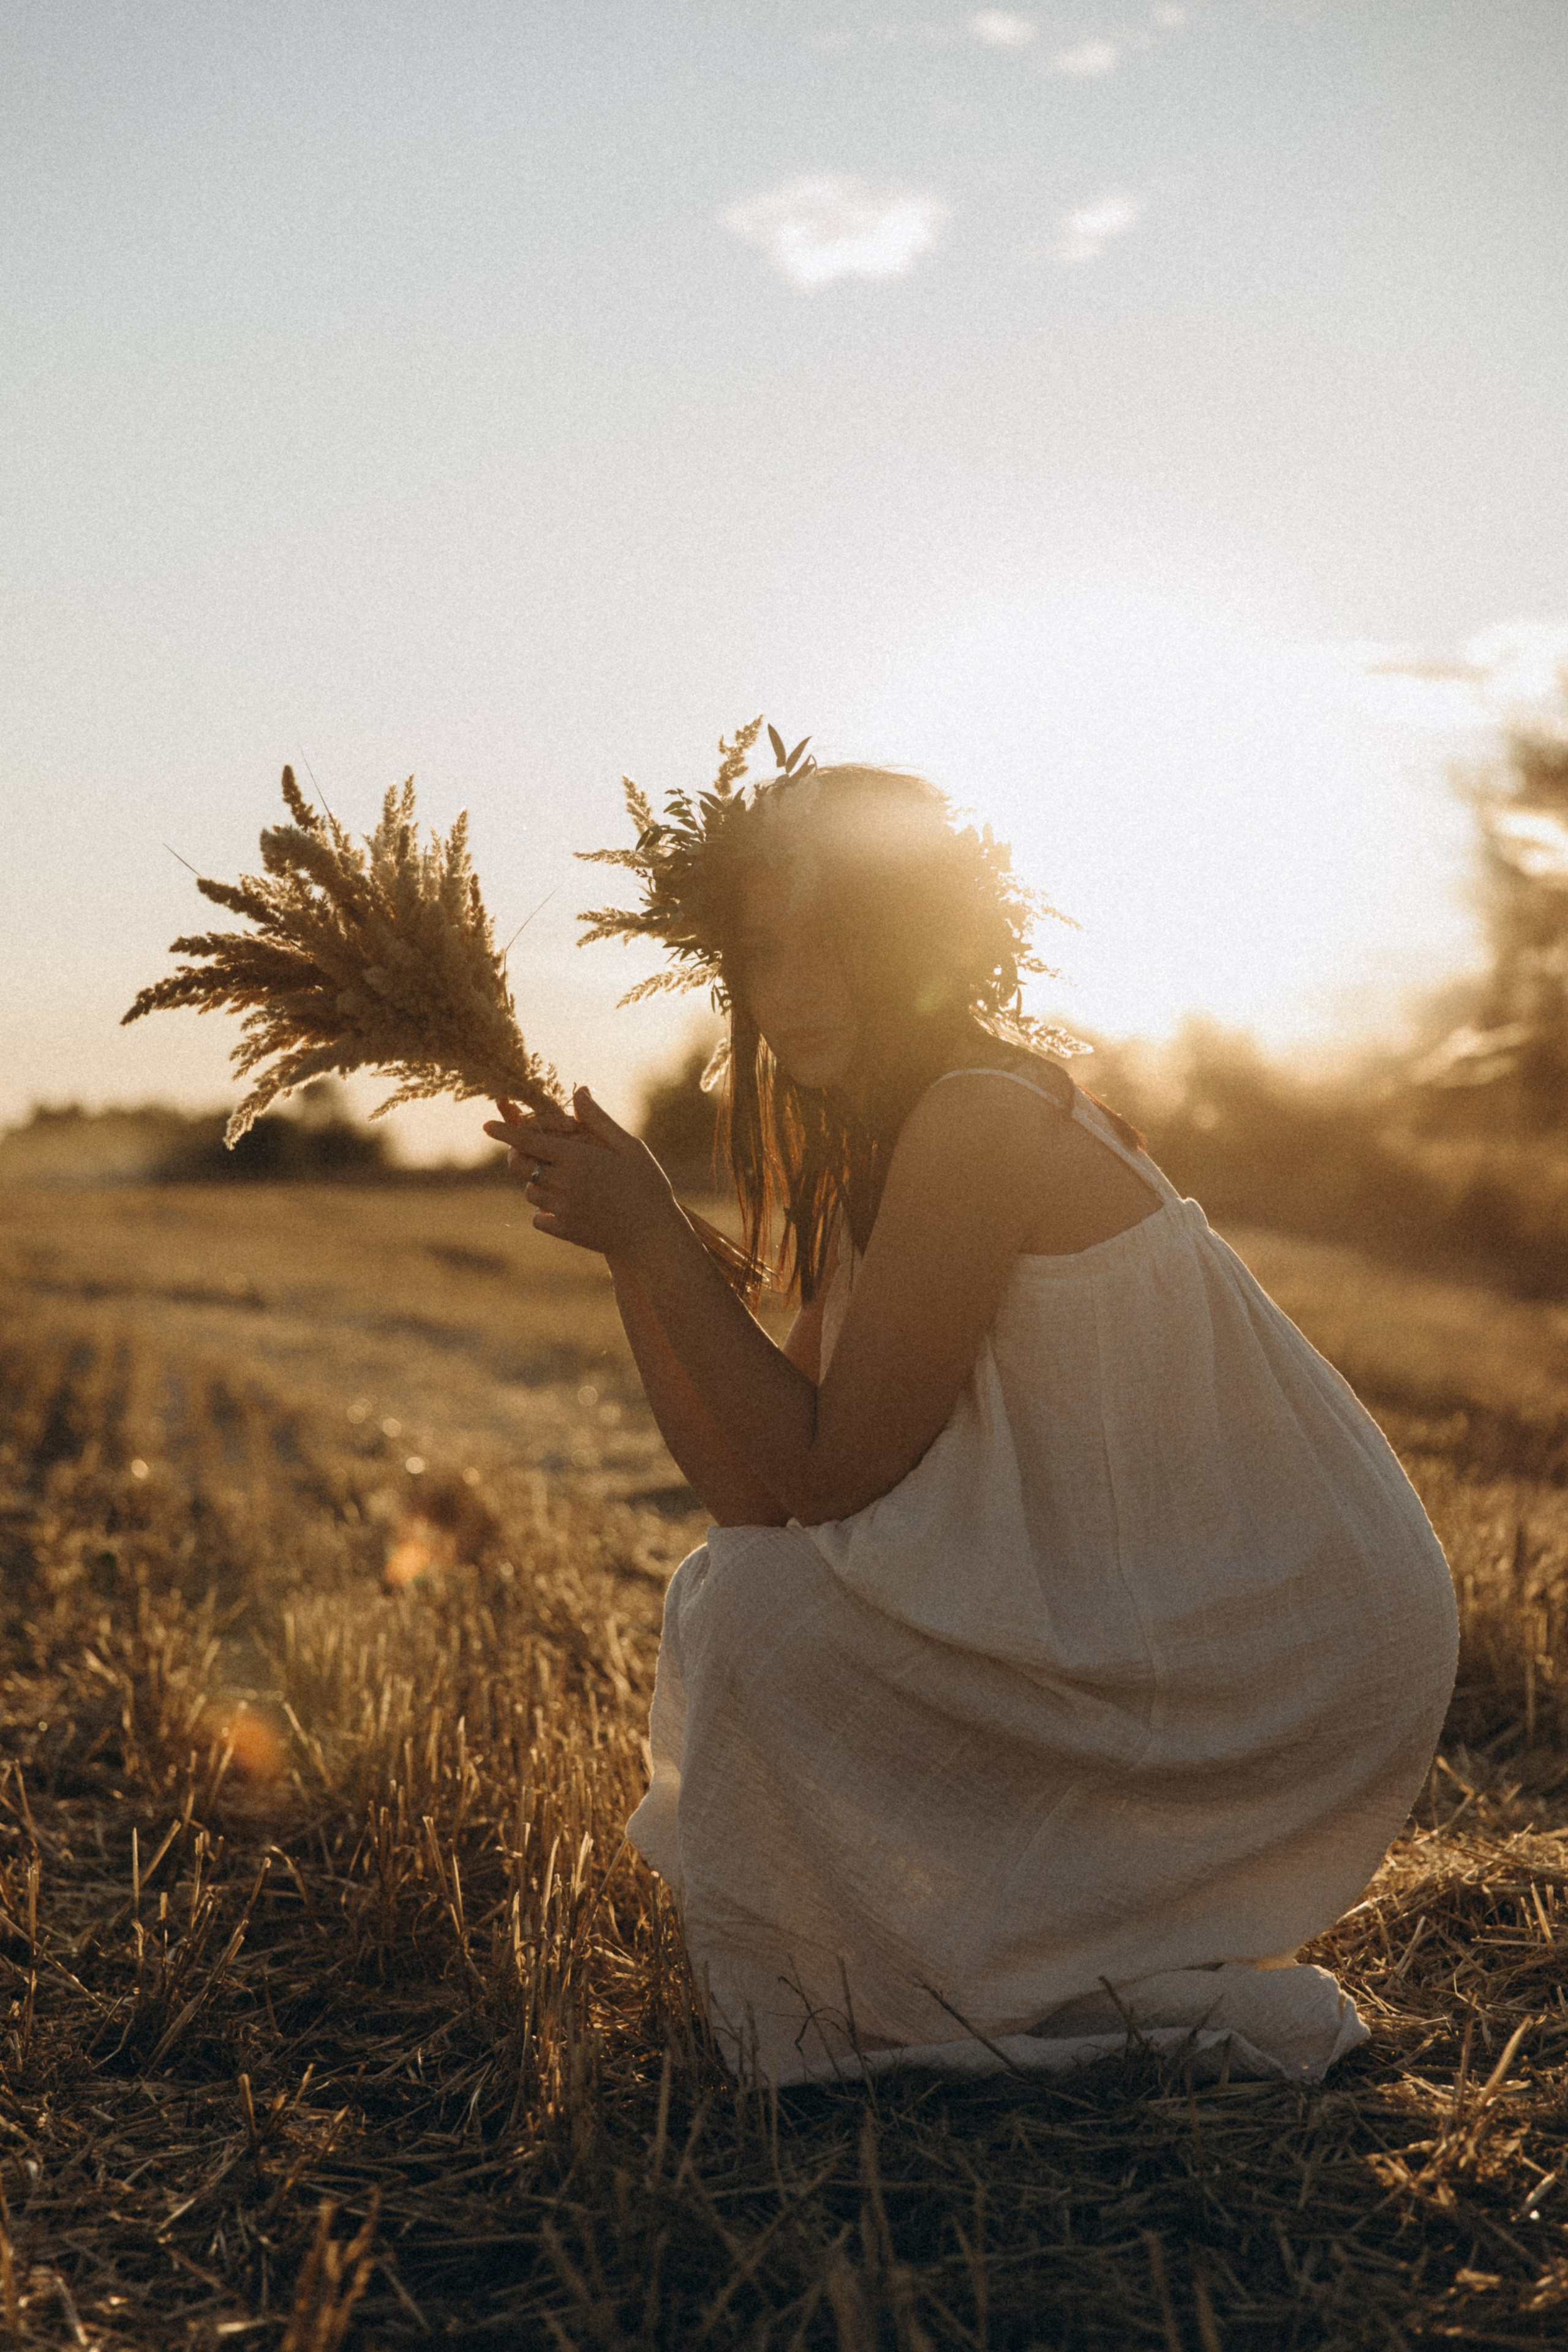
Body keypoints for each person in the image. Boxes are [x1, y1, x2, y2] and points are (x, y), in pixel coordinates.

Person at [484, 729, 1458, 2087]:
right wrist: (628, 1255)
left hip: (1269, 1621)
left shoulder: (976, 1120)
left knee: (768, 1612)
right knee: (746, 1594)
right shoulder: (884, 1149)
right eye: (763, 954)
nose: (794, 987)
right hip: (1128, 1594)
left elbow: (830, 1477)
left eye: (833, 943)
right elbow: (754, 1495)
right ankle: (1020, 1971)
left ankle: (1017, 1975)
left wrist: (656, 1235)